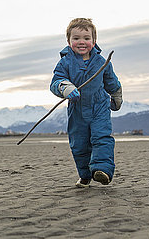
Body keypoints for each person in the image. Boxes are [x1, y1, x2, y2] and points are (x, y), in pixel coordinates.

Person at [50, 18, 122, 188]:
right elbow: (56, 81)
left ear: (94, 41)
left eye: (86, 38)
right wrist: (65, 87)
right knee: (79, 143)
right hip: (77, 109)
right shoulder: (65, 62)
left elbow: (111, 81)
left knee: (101, 137)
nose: (81, 42)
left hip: (100, 107)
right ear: (69, 41)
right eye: (76, 38)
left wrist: (116, 95)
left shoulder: (101, 62)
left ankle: (102, 169)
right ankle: (85, 175)